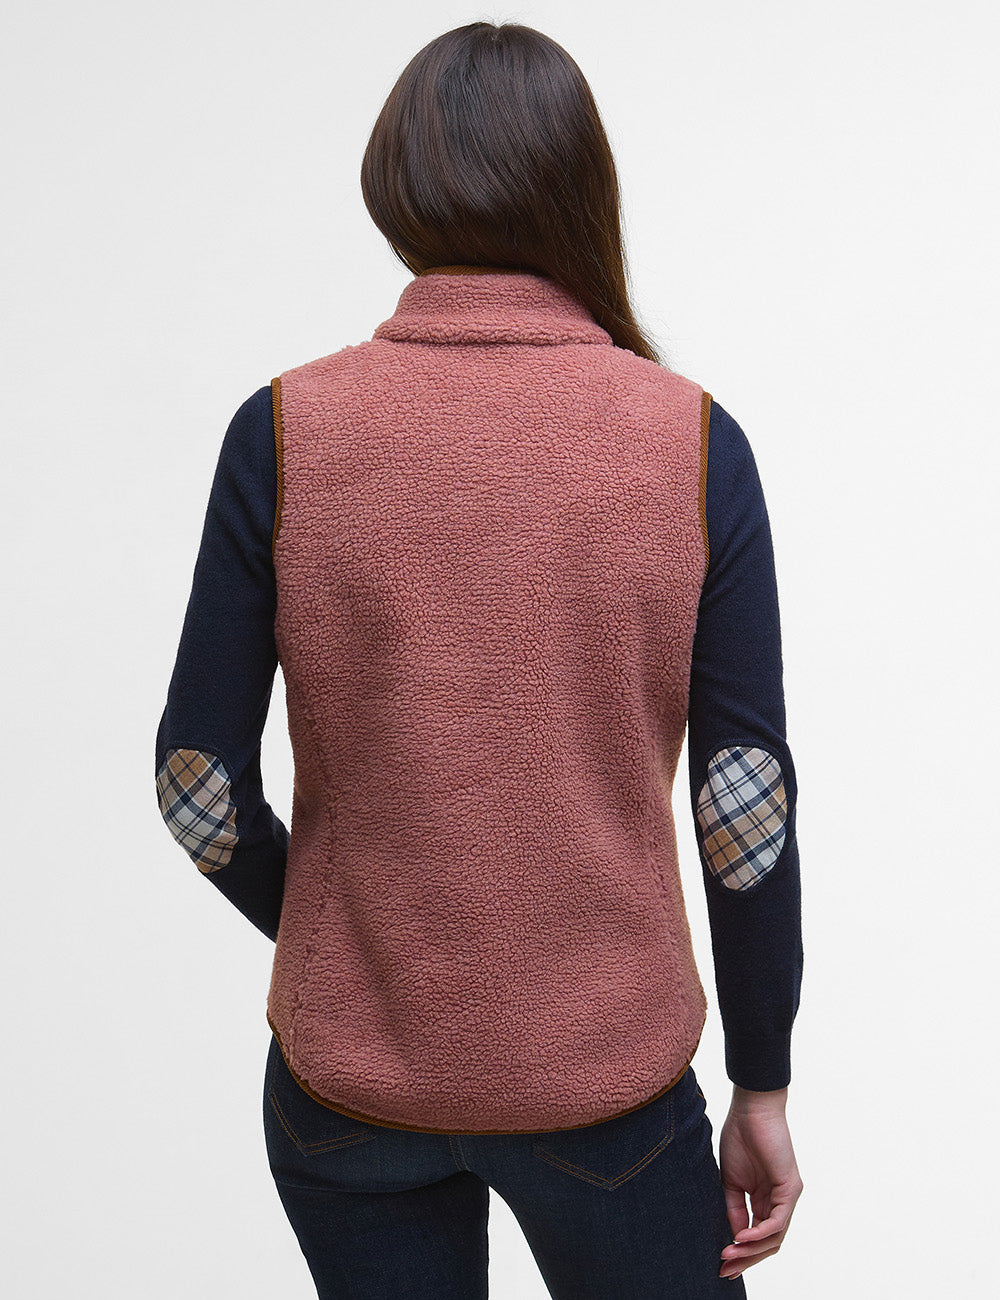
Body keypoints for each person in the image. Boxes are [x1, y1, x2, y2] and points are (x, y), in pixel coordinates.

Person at [155, 19, 804, 1298]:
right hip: (607, 1088)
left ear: (394, 184)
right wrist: (762, 1077)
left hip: (346, 1091)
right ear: (580, 186)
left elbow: (198, 789)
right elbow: (742, 805)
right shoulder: (689, 442)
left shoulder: (281, 430)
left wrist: (353, 934)